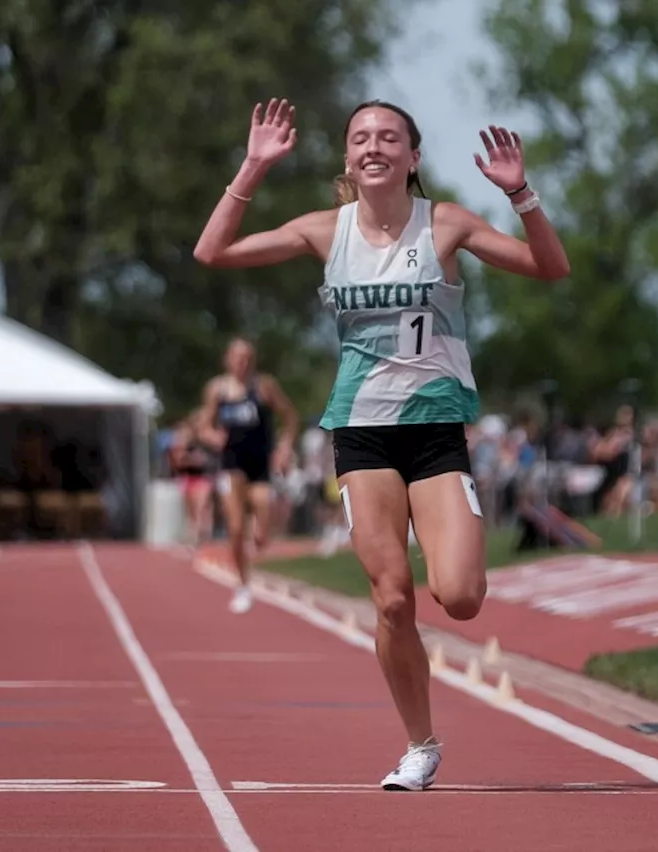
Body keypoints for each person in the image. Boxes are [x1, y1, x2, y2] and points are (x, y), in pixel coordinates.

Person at [193, 97, 570, 790]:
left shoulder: (446, 224)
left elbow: (549, 267)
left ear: (412, 157)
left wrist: (521, 192)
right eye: (361, 137)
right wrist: (251, 167)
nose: (374, 146)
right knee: (392, 599)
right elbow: (211, 251)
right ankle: (420, 745)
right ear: (347, 158)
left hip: (435, 436)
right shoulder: (322, 231)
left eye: (389, 137)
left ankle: (457, 566)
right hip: (360, 434)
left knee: (457, 596)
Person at [197, 337, 299, 614]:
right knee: (235, 529)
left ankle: (259, 538)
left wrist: (285, 447)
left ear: (252, 361)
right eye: (236, 357)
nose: (241, 363)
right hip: (231, 465)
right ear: (227, 360)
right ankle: (242, 586)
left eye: (246, 358)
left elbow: (290, 417)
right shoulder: (217, 389)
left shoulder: (264, 386)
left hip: (260, 466)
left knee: (263, 531)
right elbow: (203, 425)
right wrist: (211, 436)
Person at [166, 416, 215, 550]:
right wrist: (186, 459)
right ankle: (194, 534)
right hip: (187, 478)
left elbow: (205, 460)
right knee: (191, 511)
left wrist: (191, 460)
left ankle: (197, 537)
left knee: (200, 508)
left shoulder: (203, 443)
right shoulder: (179, 447)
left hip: (202, 479)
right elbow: (177, 463)